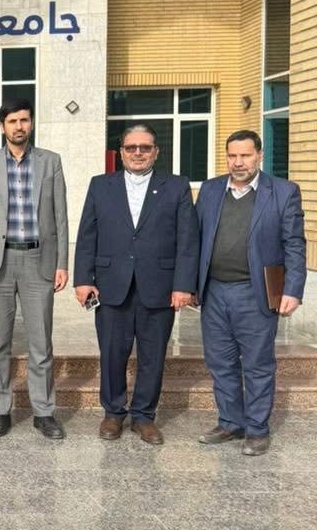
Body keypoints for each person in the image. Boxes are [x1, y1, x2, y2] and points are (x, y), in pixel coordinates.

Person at [73, 124, 198, 445]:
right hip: (111, 285)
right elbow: (87, 235)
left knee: (153, 356)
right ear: (121, 152)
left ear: (156, 152)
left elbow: (187, 240)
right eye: (131, 148)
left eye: (145, 147)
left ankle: (144, 416)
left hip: (160, 286)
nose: (138, 153)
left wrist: (184, 285)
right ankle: (113, 412)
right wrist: (83, 279)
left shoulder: (176, 186)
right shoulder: (101, 185)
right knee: (112, 353)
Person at [194, 129, 306, 456]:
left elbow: (294, 244)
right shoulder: (211, 189)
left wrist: (293, 289)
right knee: (221, 363)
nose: (238, 162)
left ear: (259, 155)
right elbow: (194, 239)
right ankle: (231, 422)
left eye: (245, 155)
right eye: (232, 155)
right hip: (214, 291)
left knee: (257, 364)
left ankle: (257, 429)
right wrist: (189, 285)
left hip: (255, 292)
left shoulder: (283, 192)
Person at [0, 98, 69, 440]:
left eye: (24, 120)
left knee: (41, 341)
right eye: (12, 121)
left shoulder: (50, 161)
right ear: (2, 127)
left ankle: (44, 412)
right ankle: (0, 410)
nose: (19, 126)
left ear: (31, 123)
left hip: (39, 260)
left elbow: (60, 216)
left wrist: (62, 263)